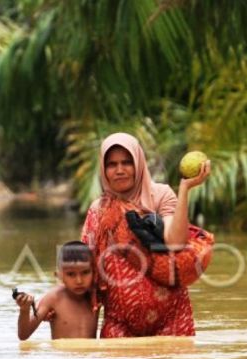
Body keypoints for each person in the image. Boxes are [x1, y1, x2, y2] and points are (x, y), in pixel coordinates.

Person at [81, 133, 210, 337]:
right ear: (104, 170)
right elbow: (88, 280)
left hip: (172, 319)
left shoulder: (160, 195)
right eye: (112, 164)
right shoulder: (99, 211)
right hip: (119, 323)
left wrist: (185, 189)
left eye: (126, 162)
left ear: (138, 163)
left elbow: (175, 242)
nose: (120, 170)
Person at [15, 241, 98, 340]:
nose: (79, 281)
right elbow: (23, 335)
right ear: (59, 276)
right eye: (71, 274)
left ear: (94, 272)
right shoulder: (53, 298)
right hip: (62, 354)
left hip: (91, 355)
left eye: (85, 272)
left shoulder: (96, 297)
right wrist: (24, 310)